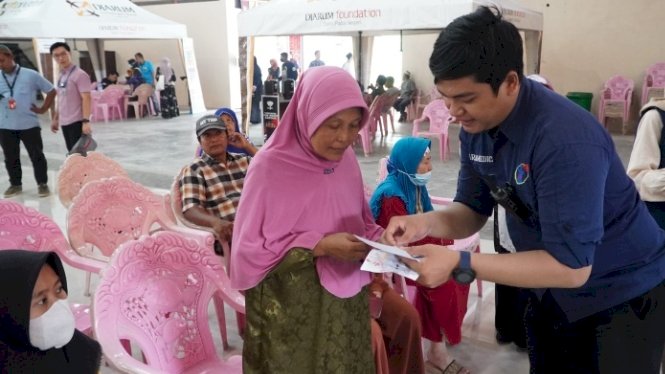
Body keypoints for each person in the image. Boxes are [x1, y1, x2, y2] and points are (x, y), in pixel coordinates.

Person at [382, 6, 665, 374]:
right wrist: (424, 223)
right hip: (550, 289)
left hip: (619, 293)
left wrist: (460, 263)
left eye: (465, 99)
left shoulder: (563, 141)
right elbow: (470, 211)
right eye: (446, 98)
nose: (454, 112)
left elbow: (572, 267)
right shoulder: (476, 129)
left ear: (511, 82)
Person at [230, 66, 424, 373]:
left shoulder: (345, 160)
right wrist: (318, 246)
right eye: (333, 125)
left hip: (346, 300)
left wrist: (384, 238)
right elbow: (248, 253)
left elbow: (358, 220)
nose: (344, 137)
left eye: (352, 125)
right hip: (292, 310)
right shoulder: (269, 168)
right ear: (307, 115)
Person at [370, 137, 470, 374]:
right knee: (440, 281)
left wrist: (442, 237)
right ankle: (438, 351)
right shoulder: (391, 196)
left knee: (460, 273)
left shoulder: (413, 185)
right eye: (424, 162)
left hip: (413, 251)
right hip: (391, 256)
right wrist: (442, 240)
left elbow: (428, 220)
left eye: (429, 161)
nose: (430, 168)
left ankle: (441, 336)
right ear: (408, 162)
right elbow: (400, 240)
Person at [0, 250, 102, 372]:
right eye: (42, 300)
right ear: (11, 314)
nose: (57, 305)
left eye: (59, 289)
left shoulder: (81, 351)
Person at [180, 115, 256, 245]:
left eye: (218, 133)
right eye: (207, 136)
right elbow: (191, 209)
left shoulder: (244, 160)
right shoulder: (195, 169)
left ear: (227, 136)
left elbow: (272, 169)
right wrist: (216, 222)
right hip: (234, 234)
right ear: (200, 141)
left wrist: (247, 147)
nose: (214, 139)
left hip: (259, 223)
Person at [0, 44, 56, 198]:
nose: (1, 65)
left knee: (37, 156)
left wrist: (44, 109)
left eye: (2, 60)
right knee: (10, 157)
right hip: (5, 126)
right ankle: (15, 184)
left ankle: (42, 184)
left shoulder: (30, 74)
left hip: (29, 125)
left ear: (10, 56)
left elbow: (51, 90)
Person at [49, 42, 92, 153]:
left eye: (63, 54)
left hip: (77, 122)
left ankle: (85, 171)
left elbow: (86, 98)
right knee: (72, 155)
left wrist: (86, 121)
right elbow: (60, 98)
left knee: (79, 157)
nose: (61, 58)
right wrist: (55, 118)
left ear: (70, 53)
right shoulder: (61, 75)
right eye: (56, 55)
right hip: (65, 122)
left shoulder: (80, 74)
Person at [250, 57, 263, 124]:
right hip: (256, 88)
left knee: (255, 104)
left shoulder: (256, 68)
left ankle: (255, 119)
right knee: (255, 104)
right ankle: (256, 119)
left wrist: (254, 86)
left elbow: (258, 79)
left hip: (256, 89)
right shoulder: (255, 67)